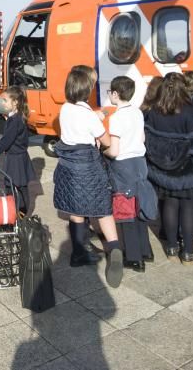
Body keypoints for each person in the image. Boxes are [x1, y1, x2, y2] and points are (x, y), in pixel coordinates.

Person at [53, 67, 124, 288]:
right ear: (88, 89)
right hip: (88, 167)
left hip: (69, 166)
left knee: (76, 210)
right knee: (103, 210)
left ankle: (78, 253)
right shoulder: (87, 115)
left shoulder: (65, 109)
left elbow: (80, 121)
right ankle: (114, 249)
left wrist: (97, 115)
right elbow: (105, 142)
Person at [143, 74, 193, 263]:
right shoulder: (189, 110)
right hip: (186, 166)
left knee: (170, 204)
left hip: (162, 166)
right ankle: (188, 250)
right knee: (188, 208)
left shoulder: (154, 110)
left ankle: (172, 247)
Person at [105, 76, 156, 273]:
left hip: (123, 165)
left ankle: (134, 258)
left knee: (126, 211)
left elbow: (115, 150)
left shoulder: (117, 117)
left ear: (116, 94)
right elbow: (141, 137)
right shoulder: (137, 112)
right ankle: (146, 251)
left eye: (110, 92)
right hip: (140, 163)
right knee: (140, 206)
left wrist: (104, 151)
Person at [0, 86, 35, 214]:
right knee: (16, 186)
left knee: (16, 187)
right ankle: (17, 213)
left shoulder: (15, 120)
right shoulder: (16, 117)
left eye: (5, 100)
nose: (3, 103)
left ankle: (21, 215)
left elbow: (6, 140)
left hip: (16, 159)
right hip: (17, 157)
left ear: (15, 102)